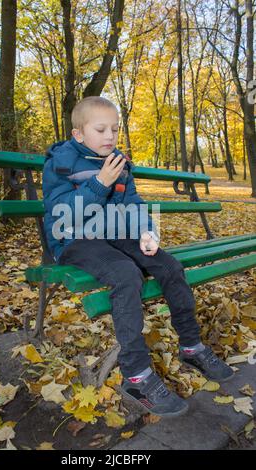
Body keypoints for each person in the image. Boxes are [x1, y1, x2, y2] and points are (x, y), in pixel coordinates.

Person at [42, 96, 234, 417]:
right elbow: (64, 216)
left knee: (168, 264)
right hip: (75, 239)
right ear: (79, 134)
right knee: (125, 273)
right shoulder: (61, 162)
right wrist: (100, 182)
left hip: (116, 234)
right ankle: (135, 374)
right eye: (100, 129)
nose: (109, 136)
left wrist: (147, 231)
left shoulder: (119, 162)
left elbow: (133, 204)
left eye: (114, 130)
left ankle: (191, 346)